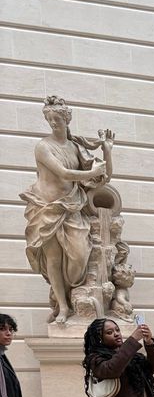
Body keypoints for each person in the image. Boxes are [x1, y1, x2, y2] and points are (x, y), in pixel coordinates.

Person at [20, 96, 112, 325]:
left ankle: (74, 297)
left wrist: (107, 151)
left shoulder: (75, 147)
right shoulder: (42, 147)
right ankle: (63, 307)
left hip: (72, 206)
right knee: (53, 258)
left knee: (80, 255)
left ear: (66, 119)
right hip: (45, 207)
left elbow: (103, 178)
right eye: (49, 119)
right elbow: (63, 173)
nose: (53, 123)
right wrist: (90, 174)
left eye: (57, 118)